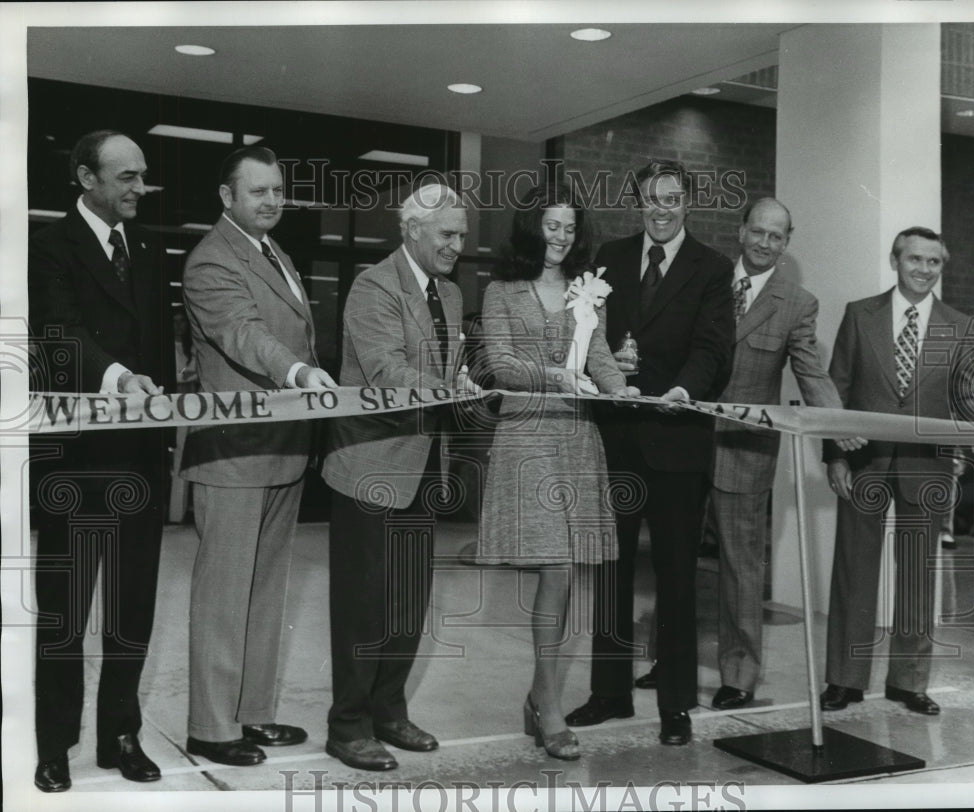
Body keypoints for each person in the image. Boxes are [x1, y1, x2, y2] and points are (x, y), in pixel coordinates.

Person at [566, 159, 734, 746]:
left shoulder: (712, 268)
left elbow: (715, 348)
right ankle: (608, 693)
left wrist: (684, 391)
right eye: (649, 198)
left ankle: (675, 705)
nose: (660, 209)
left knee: (676, 576)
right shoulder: (607, 257)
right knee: (609, 570)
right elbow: (586, 336)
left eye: (671, 198)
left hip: (678, 438)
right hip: (616, 436)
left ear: (688, 202)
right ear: (637, 201)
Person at [180, 145, 336, 766]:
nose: (272, 201)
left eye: (278, 190)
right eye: (258, 192)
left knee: (265, 591)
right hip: (233, 456)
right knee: (224, 594)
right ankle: (210, 726)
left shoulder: (278, 253)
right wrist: (298, 372)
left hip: (281, 450)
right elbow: (244, 333)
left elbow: (293, 328)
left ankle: (252, 714)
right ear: (227, 197)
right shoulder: (210, 261)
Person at [28, 130, 174, 791]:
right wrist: (120, 378)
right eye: (126, 177)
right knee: (64, 615)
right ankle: (55, 746)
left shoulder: (147, 246)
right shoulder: (47, 245)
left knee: (132, 607)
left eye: (142, 176)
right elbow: (60, 334)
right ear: (87, 179)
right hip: (77, 463)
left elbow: (161, 350)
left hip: (141, 461)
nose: (140, 188)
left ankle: (121, 735)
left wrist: (168, 424)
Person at [477, 183, 639, 760]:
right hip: (527, 437)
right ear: (531, 228)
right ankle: (548, 708)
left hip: (576, 438)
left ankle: (539, 696)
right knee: (559, 569)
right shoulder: (501, 291)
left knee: (564, 574)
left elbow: (597, 357)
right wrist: (556, 377)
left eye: (569, 228)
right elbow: (499, 363)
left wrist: (626, 389)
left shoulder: (584, 291)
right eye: (551, 226)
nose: (561, 237)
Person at [321, 184, 477, 771]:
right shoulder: (373, 286)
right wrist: (452, 387)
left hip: (423, 466)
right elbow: (386, 371)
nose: (456, 245)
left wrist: (467, 381)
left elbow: (449, 366)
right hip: (371, 466)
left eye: (461, 235)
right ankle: (348, 726)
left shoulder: (454, 294)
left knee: (409, 602)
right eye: (446, 234)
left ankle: (389, 711)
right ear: (411, 229)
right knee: (362, 603)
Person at [707, 198, 863, 711]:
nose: (765, 243)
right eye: (758, 232)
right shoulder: (705, 279)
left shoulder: (797, 302)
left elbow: (811, 374)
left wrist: (839, 429)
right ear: (741, 231)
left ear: (787, 242)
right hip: (682, 443)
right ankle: (672, 660)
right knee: (671, 558)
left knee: (740, 566)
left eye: (777, 236)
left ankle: (739, 675)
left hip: (744, 450)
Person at [820, 226, 974, 716]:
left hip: (925, 467)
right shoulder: (858, 314)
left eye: (933, 262)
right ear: (895, 261)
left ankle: (908, 682)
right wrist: (835, 455)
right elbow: (836, 389)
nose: (924, 269)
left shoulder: (960, 325)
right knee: (853, 572)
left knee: (916, 577)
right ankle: (844, 680)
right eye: (914, 259)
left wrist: (958, 455)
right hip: (863, 461)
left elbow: (967, 400)